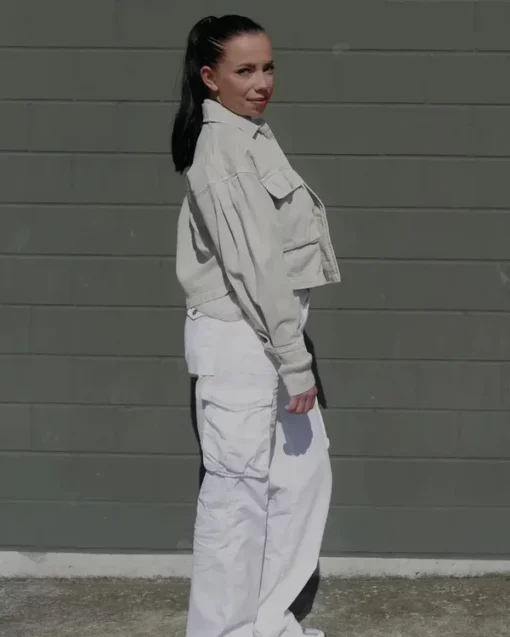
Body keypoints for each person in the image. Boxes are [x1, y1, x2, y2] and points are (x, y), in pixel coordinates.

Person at [172, 14, 340, 637]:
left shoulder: (251, 135)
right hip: (242, 339)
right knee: (236, 498)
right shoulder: (222, 150)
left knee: (301, 477)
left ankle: (265, 622)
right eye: (244, 70)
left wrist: (291, 351)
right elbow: (256, 269)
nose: (262, 81)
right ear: (209, 77)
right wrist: (295, 362)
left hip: (270, 333)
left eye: (268, 67)